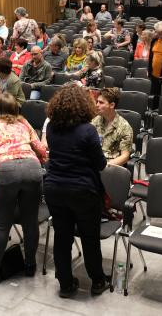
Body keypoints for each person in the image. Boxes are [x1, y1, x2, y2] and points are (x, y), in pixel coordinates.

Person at [44, 83, 109, 298]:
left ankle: (65, 284)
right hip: (82, 190)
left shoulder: (51, 127)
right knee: (90, 238)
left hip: (54, 188)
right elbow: (101, 164)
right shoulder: (88, 130)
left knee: (62, 237)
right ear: (83, 105)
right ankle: (97, 281)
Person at [0, 93, 47, 284]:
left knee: (2, 224)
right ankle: (30, 265)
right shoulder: (24, 123)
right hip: (32, 167)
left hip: (4, 168)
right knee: (30, 222)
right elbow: (40, 148)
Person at [92, 87, 132, 167]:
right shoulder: (95, 121)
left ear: (112, 105)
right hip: (93, 162)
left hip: (110, 166)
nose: (97, 105)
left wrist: (106, 165)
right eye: (97, 102)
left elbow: (125, 156)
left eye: (101, 103)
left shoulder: (124, 126)